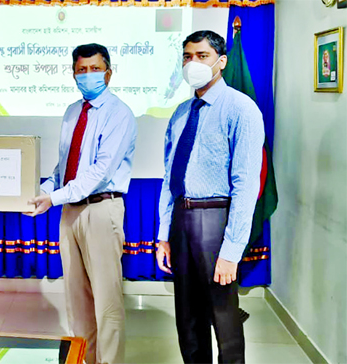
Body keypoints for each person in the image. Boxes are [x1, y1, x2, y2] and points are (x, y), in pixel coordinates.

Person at [156, 30, 265, 363]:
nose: (193, 63)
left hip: (217, 219)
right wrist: (164, 235)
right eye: (187, 57)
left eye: (202, 56)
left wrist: (231, 251)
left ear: (221, 61)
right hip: (182, 218)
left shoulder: (241, 110)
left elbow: (246, 185)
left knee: (223, 314)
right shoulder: (179, 113)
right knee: (187, 317)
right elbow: (168, 178)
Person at [28, 43, 137, 364]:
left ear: (109, 72)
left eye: (95, 69)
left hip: (102, 209)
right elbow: (64, 170)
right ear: (73, 73)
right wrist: (39, 190)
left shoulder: (120, 113)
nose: (88, 76)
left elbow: (99, 172)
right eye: (81, 70)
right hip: (70, 211)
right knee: (77, 301)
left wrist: (52, 197)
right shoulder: (73, 111)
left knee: (107, 304)